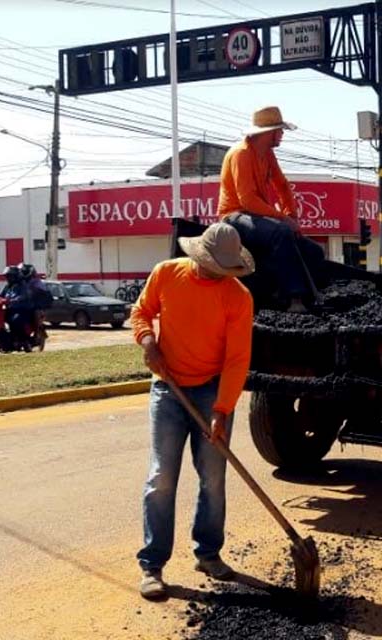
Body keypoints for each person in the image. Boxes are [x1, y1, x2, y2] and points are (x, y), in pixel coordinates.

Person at [130, 223, 255, 600]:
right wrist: (148, 340)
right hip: (168, 389)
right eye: (210, 265)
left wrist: (222, 408)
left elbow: (237, 360)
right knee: (161, 478)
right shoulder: (167, 274)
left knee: (213, 478)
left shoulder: (238, 297)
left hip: (211, 390)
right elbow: (141, 312)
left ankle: (209, 553)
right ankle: (152, 565)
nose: (214, 273)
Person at [219, 106, 324, 313]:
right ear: (269, 133)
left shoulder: (267, 154)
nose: (282, 135)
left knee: (314, 251)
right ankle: (294, 297)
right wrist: (284, 219)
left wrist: (292, 216)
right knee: (282, 231)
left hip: (257, 217)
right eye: (280, 130)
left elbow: (283, 186)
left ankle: (304, 295)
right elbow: (247, 201)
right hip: (234, 216)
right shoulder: (241, 154)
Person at [0, 265, 35, 349]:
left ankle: (24, 341)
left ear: (15, 276)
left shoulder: (22, 285)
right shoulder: (7, 286)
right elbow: (0, 295)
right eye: (7, 276)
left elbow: (24, 295)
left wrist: (16, 299)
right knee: (0, 319)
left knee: (15, 320)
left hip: (22, 309)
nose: (8, 278)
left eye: (10, 276)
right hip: (11, 309)